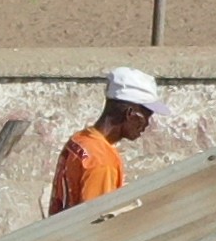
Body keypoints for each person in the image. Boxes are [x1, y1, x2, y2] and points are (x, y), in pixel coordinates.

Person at [47, 65, 157, 214]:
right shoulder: (102, 161)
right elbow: (94, 222)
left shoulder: (79, 140)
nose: (147, 125)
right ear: (130, 113)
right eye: (146, 117)